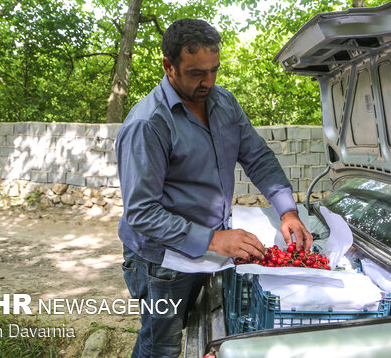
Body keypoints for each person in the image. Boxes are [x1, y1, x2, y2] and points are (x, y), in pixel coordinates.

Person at [115, 18, 313, 357]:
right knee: (159, 348)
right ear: (169, 66)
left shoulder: (224, 103)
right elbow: (141, 212)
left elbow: (258, 158)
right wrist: (215, 238)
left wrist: (288, 210)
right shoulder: (148, 124)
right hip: (163, 262)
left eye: (214, 70)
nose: (208, 81)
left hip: (210, 253)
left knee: (201, 328)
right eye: (196, 73)